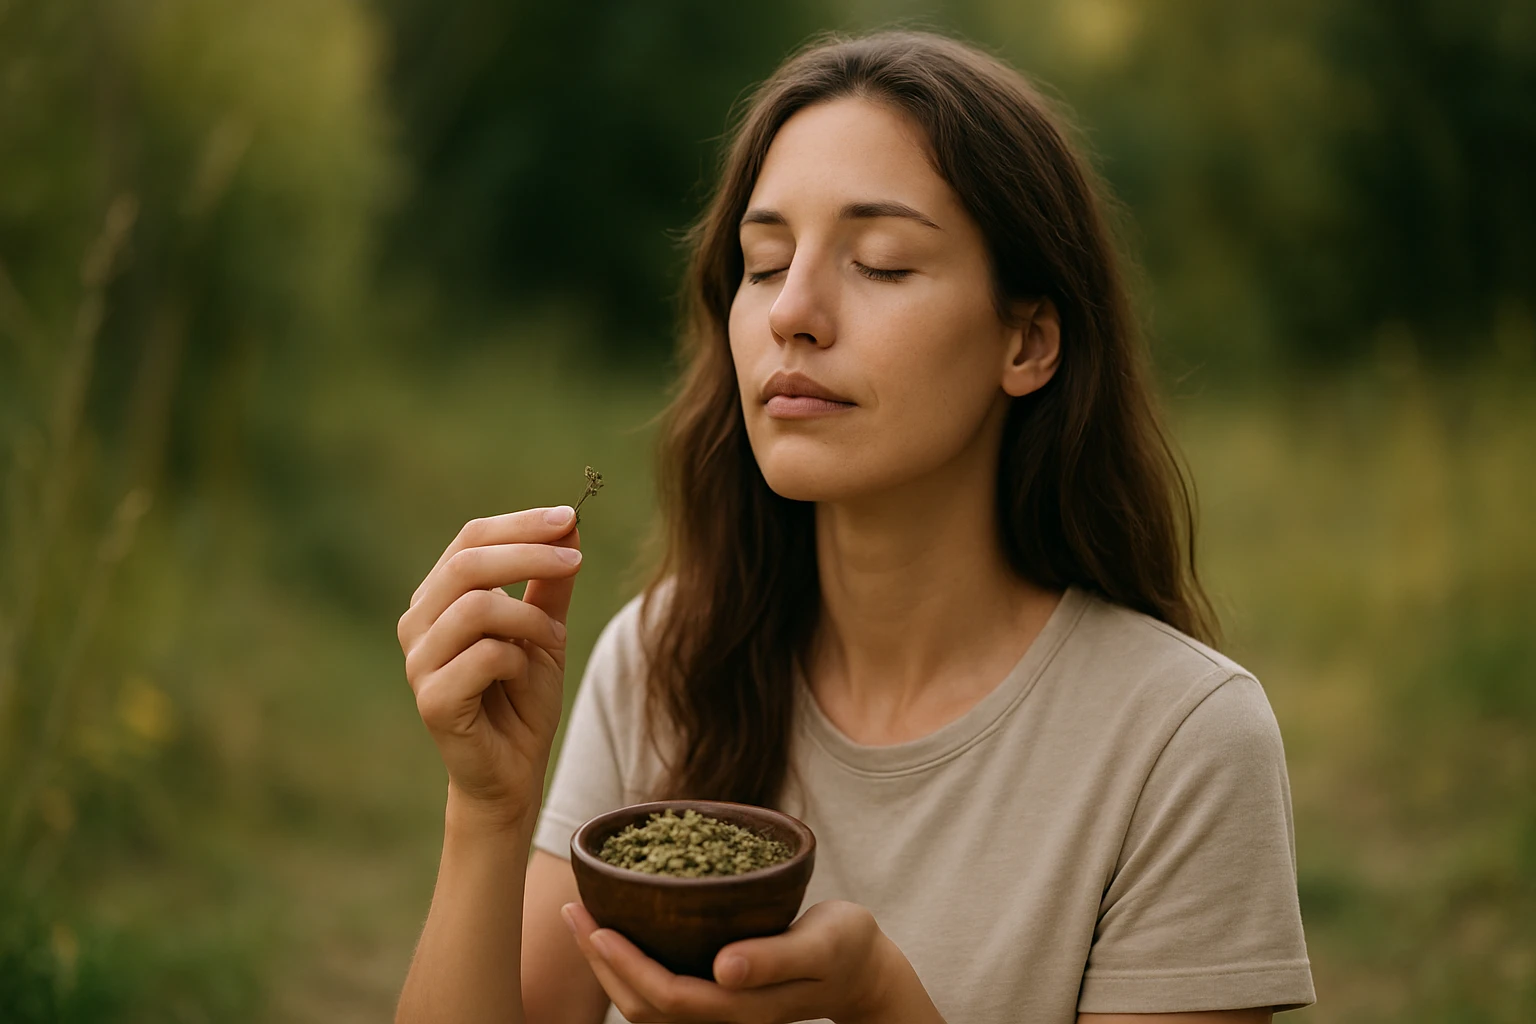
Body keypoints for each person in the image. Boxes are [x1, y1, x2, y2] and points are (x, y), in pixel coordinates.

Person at [393, 27, 1315, 1024]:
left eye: (879, 263)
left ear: (1029, 339)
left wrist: (883, 1001)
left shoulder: (1179, 743)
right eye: (763, 261)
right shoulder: (664, 657)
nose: (794, 310)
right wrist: (486, 814)